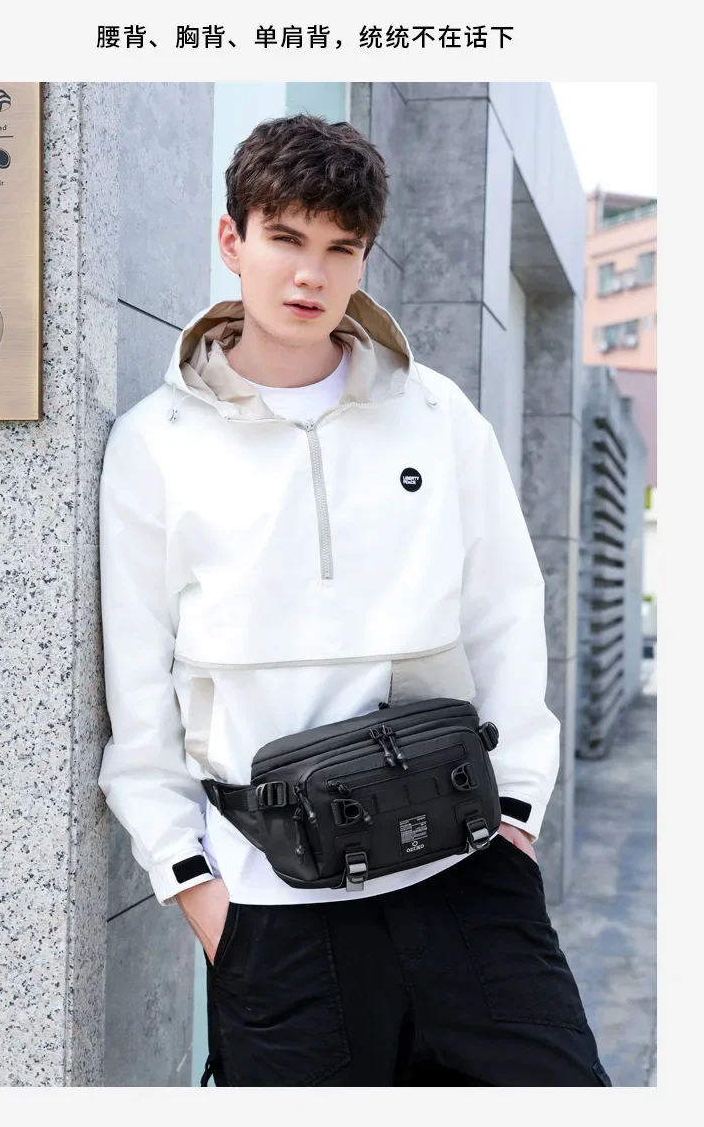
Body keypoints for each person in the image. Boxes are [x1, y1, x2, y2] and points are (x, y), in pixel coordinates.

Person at [97, 113, 611, 1087]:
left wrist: (514, 818)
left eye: (341, 248)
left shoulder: (436, 415)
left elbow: (505, 611)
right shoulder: (156, 444)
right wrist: (197, 890)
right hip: (275, 911)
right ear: (231, 240)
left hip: (464, 877)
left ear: (364, 257)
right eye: (285, 238)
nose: (310, 274)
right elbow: (138, 688)